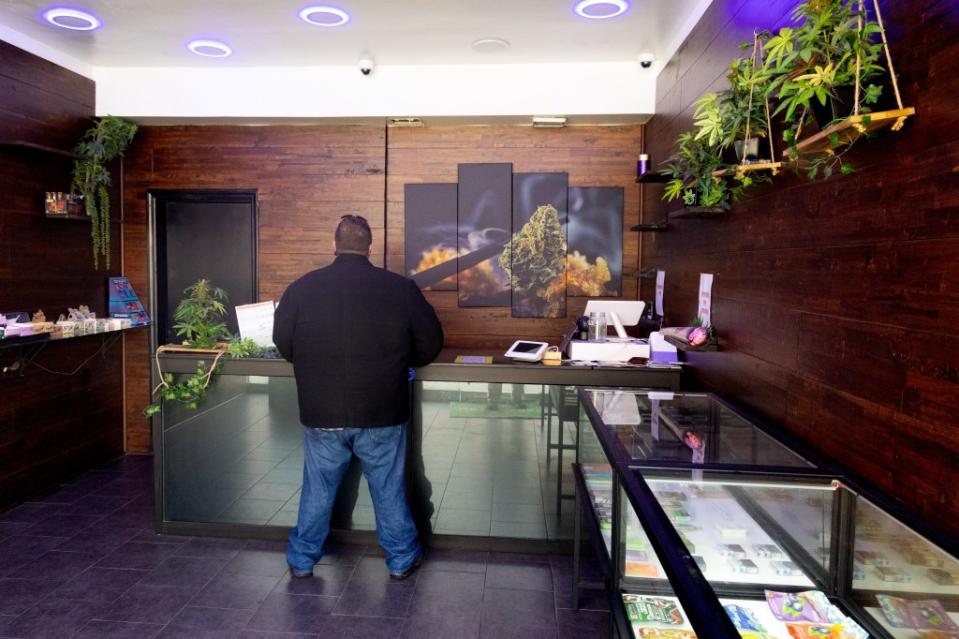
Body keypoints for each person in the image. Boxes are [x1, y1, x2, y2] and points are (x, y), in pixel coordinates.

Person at [273, 214, 444, 580]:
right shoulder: (401, 289)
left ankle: (302, 560)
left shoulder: (301, 288)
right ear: (369, 248)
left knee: (318, 490)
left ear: (333, 246)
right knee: (388, 489)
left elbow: (283, 343)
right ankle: (400, 559)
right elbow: (431, 344)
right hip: (383, 410)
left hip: (322, 411)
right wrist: (401, 360)